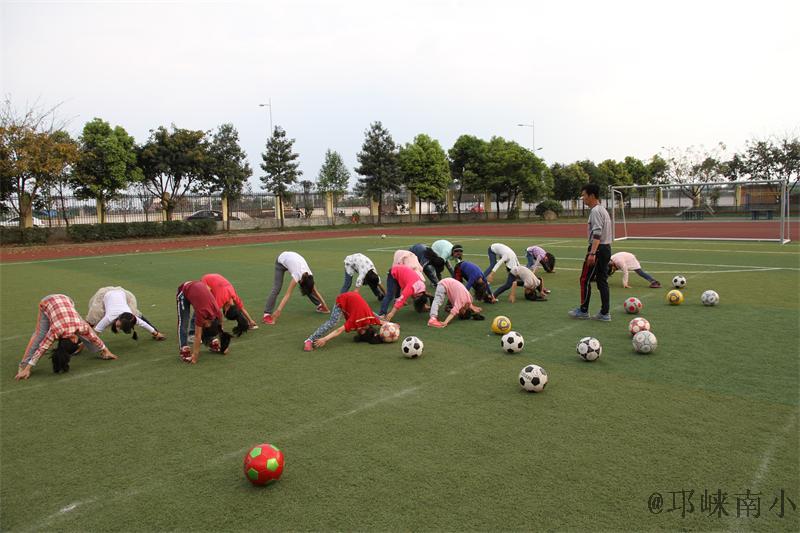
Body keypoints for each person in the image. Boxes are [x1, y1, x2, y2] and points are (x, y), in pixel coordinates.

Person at [15, 294, 118, 380]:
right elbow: (41, 348)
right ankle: (23, 364)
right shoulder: (56, 331)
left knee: (88, 332)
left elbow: (42, 349)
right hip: (46, 303)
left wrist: (105, 350)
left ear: (74, 339)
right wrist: (27, 368)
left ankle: (103, 352)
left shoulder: (68, 329)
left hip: (66, 300)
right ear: (74, 339)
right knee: (40, 334)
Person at [569, 183, 612, 321]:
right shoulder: (603, 210)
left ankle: (583, 311)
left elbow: (597, 233)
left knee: (584, 279)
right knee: (601, 281)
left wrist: (592, 253)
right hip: (606, 248)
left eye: (584, 195)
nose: (582, 198)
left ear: (592, 195)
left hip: (598, 249)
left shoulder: (595, 211)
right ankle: (605, 313)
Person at [262, 251, 330, 325]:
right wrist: (278, 311)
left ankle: (320, 306)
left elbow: (315, 291)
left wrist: (324, 305)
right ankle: (266, 314)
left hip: (292, 259)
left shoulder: (309, 275)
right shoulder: (297, 275)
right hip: (281, 261)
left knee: (308, 288)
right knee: (277, 288)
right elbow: (287, 295)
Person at [304, 292, 387, 351]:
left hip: (355, 299)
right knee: (332, 322)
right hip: (343, 299)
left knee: (371, 313)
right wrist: (324, 339)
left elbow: (384, 323)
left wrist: (390, 325)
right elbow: (338, 330)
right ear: (368, 327)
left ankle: (376, 317)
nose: (359, 329)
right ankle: (309, 340)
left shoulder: (373, 320)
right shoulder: (356, 321)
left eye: (359, 331)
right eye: (362, 329)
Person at [176, 280, 230, 364]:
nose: (203, 324)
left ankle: (209, 340)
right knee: (183, 321)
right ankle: (184, 347)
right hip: (184, 290)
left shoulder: (218, 314)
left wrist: (224, 346)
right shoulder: (201, 315)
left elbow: (221, 329)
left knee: (202, 327)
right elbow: (197, 335)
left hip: (198, 290)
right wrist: (195, 356)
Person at [86, 286, 166, 341]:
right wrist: (103, 350)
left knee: (136, 313)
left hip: (123, 295)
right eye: (118, 326)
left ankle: (157, 332)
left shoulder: (132, 317)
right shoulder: (109, 317)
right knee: (93, 319)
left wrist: (156, 333)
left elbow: (144, 324)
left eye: (119, 327)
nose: (117, 329)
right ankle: (80, 340)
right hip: (105, 295)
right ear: (119, 318)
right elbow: (95, 333)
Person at [378, 249, 427, 316]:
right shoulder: (411, 288)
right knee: (390, 295)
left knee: (399, 289)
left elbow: (424, 295)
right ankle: (382, 314)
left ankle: (396, 299)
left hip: (402, 273)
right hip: (394, 272)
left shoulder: (422, 288)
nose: (413, 299)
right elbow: (401, 300)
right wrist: (391, 314)